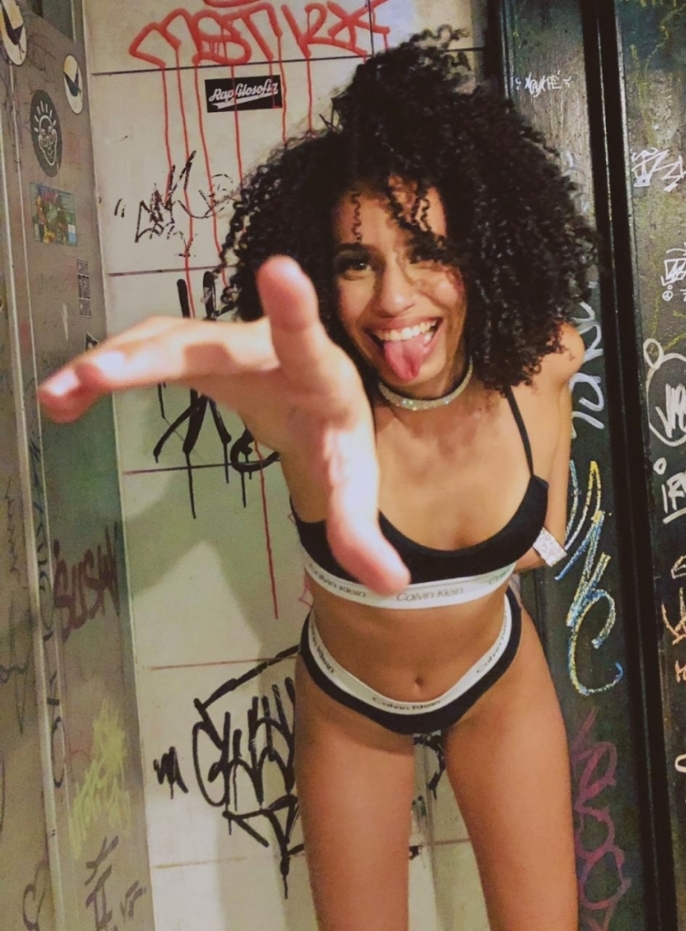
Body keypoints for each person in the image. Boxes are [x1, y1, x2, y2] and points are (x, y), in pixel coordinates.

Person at [40, 30, 595, 931]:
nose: (394, 298)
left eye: (427, 251)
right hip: (352, 706)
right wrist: (167, 352)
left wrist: (483, 558)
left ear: (483, 252)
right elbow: (213, 360)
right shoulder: (304, 407)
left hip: (499, 687)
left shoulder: (547, 365)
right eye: (356, 262)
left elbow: (546, 534)